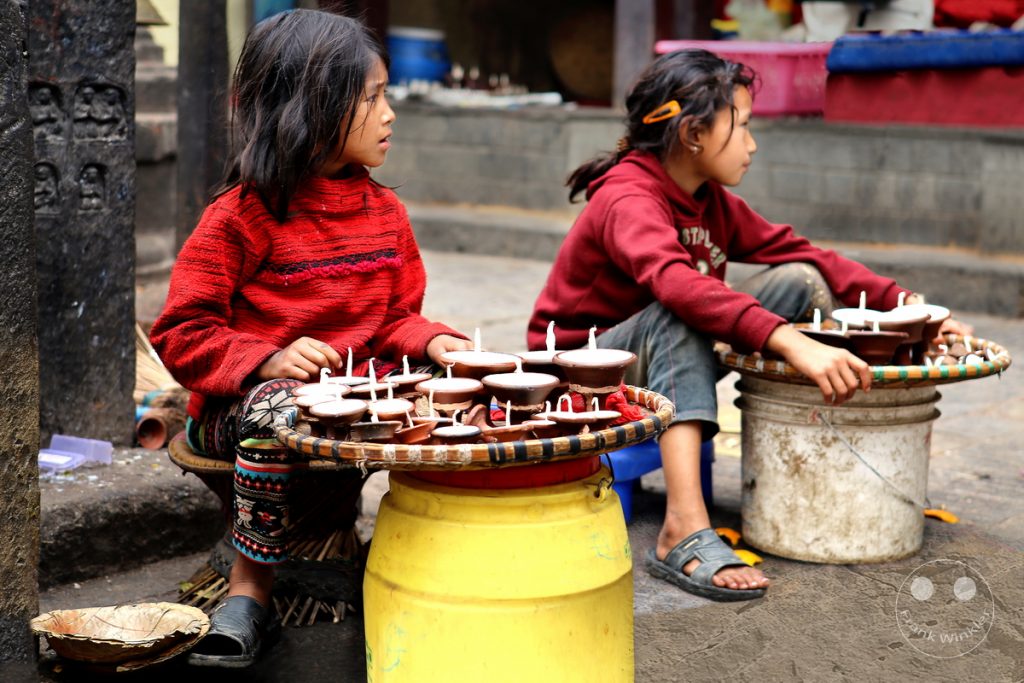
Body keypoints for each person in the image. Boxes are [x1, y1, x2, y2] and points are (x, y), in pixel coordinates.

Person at [527, 49, 970, 602]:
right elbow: (675, 284)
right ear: (693, 134)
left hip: (656, 361)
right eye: (742, 127)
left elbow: (802, 252)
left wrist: (911, 307)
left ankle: (823, 446)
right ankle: (681, 528)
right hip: (579, 378)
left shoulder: (709, 201)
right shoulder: (627, 196)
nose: (752, 144)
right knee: (680, 308)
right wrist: (788, 340)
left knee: (799, 279)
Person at [150, 10, 472, 666]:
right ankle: (251, 589)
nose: (390, 114)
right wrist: (267, 358)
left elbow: (394, 320)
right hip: (240, 413)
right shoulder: (239, 217)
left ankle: (414, 545)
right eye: (373, 98)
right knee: (280, 408)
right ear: (314, 108)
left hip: (349, 404)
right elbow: (181, 333)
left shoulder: (386, 214)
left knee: (461, 390)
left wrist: (435, 343)